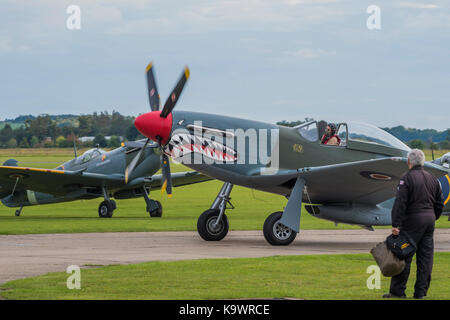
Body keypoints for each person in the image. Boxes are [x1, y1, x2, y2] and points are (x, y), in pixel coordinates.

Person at [383, 149, 444, 299]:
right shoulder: (432, 178)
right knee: (425, 259)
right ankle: (420, 293)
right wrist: (432, 216)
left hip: (412, 222)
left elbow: (400, 203)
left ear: (409, 162)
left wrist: (395, 224)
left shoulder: (407, 178)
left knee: (403, 254)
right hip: (429, 221)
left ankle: (397, 292)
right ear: (423, 162)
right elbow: (440, 202)